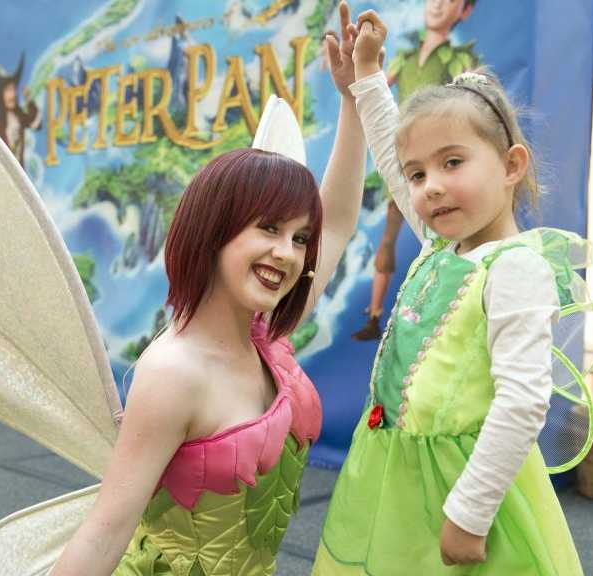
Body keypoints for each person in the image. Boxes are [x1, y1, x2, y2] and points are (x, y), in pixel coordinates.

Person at [50, 4, 369, 574]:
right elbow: (106, 530)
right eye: (268, 228)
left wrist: (352, 99)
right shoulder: (173, 372)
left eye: (299, 238)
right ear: (215, 231)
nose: (288, 253)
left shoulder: (268, 337)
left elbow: (339, 220)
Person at [314, 11, 583, 575]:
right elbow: (391, 156)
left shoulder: (515, 269)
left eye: (452, 162)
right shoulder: (442, 248)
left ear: (512, 166)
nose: (430, 185)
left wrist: (469, 512)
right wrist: (366, 74)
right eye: (419, 176)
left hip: (465, 489)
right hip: (398, 477)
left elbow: (523, 400)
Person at [352, 0, 479, 341]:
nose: (438, 5)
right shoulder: (405, 57)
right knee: (388, 241)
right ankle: (374, 315)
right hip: (408, 158)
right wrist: (364, 68)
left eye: (454, 163)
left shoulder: (459, 61)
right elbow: (384, 136)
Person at [0, 52, 41, 166]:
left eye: (13, 89)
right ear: (0, 94)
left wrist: (29, 100)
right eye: (8, 90)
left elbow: (35, 123)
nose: (12, 94)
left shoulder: (19, 117)